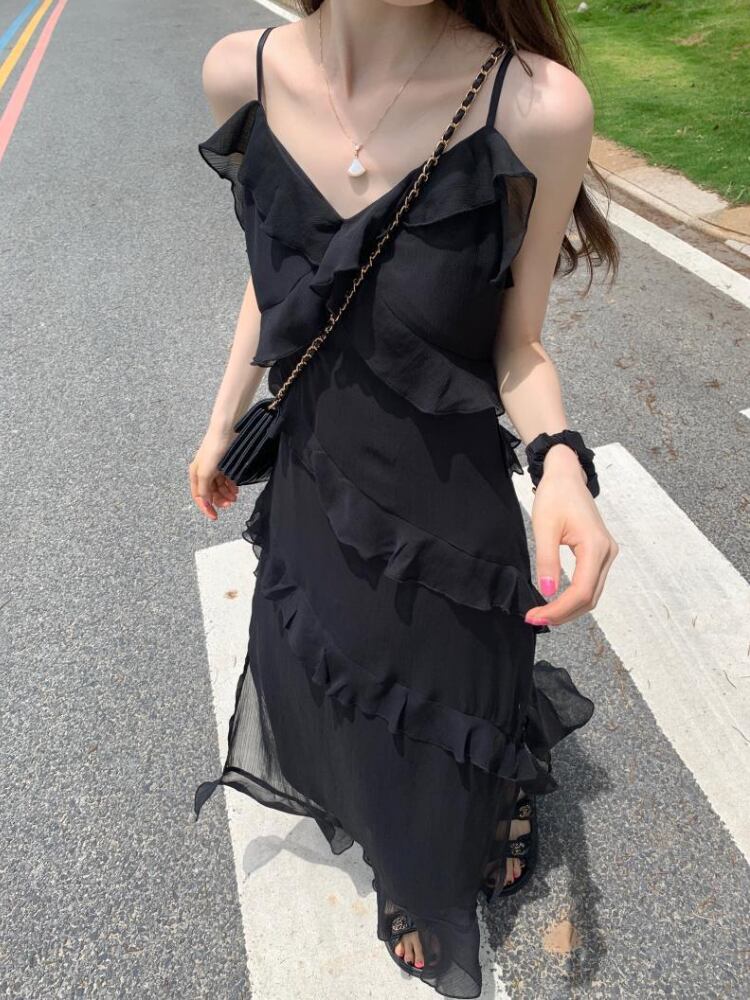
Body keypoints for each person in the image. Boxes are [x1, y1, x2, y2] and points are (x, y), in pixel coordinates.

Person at [189, 1, 620, 996]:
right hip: (314, 485)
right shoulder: (240, 73)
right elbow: (274, 273)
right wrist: (221, 422)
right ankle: (403, 838)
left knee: (439, 718)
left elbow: (518, 342)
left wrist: (560, 462)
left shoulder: (535, 107)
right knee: (338, 690)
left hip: (446, 524)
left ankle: (438, 860)